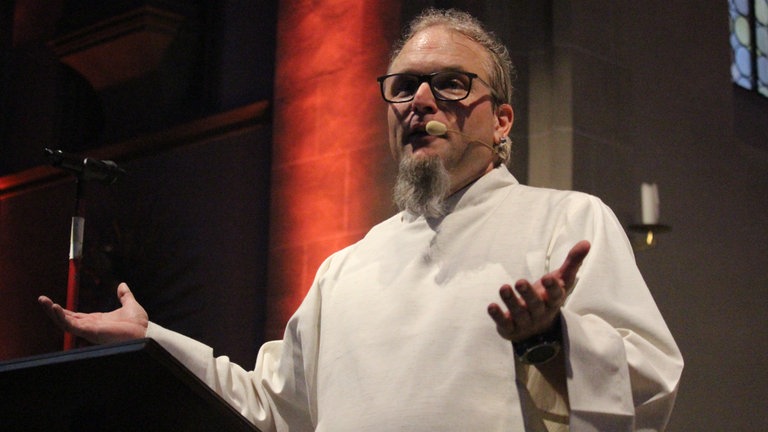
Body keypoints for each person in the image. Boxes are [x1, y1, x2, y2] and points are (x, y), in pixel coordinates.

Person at [39, 8, 683, 432]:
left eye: (451, 84)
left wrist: (553, 339)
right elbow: (269, 406)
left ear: (502, 120)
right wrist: (150, 340)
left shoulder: (565, 222)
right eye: (402, 87)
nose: (420, 101)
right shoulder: (345, 270)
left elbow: (650, 385)